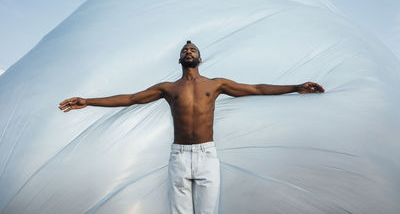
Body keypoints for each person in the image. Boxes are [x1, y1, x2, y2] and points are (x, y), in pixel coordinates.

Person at [59, 40, 325, 214]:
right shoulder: (168, 88)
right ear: (179, 60)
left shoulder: (215, 84)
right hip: (179, 156)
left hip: (207, 156)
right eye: (185, 50)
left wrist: (295, 87)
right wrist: (88, 101)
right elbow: (130, 99)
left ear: (200, 59)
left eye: (193, 50)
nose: (188, 51)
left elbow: (256, 88)